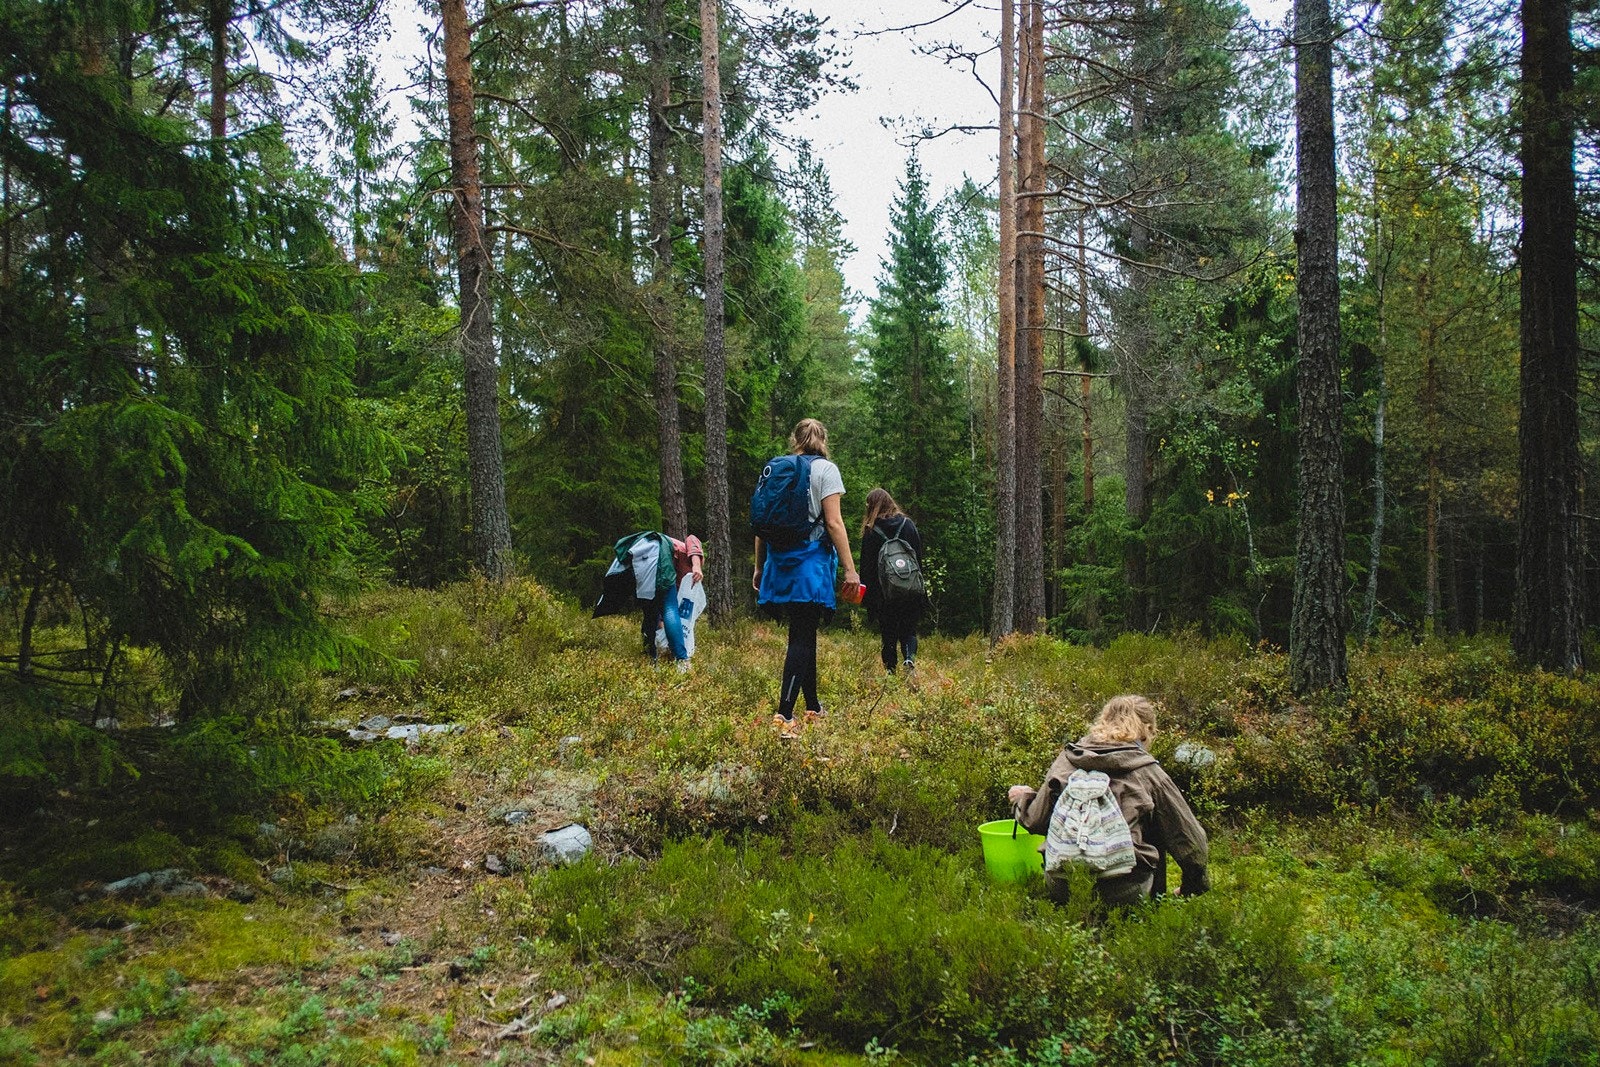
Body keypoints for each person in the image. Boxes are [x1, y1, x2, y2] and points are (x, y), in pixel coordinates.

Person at [1007, 695, 1210, 908]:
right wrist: (1192, 888)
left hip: (1064, 886)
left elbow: (1036, 820)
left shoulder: (1067, 760)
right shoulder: (1148, 771)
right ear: (1146, 730)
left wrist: (1023, 798)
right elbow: (1191, 842)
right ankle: (1153, 904)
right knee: (1157, 823)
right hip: (1125, 892)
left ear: (1103, 721)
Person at [752, 418, 859, 735]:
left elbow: (762, 525)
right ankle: (784, 714)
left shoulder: (776, 468)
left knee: (805, 632)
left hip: (779, 559)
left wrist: (760, 567)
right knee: (801, 635)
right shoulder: (826, 470)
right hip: (809, 563)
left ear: (794, 440)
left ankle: (812, 706)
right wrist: (850, 569)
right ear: (824, 440)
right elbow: (834, 523)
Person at [593, 531, 702, 666]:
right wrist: (697, 565)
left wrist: (662, 624)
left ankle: (651, 656)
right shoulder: (690, 564)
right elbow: (692, 539)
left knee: (650, 610)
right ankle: (682, 660)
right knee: (669, 607)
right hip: (658, 551)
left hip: (638, 558)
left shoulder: (677, 576)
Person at [859, 488, 924, 677]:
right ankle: (909, 659)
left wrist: (868, 600)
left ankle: (890, 674)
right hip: (909, 588)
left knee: (888, 635)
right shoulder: (908, 525)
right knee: (909, 630)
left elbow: (867, 568)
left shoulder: (871, 531)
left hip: (884, 594)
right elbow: (917, 559)